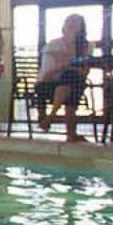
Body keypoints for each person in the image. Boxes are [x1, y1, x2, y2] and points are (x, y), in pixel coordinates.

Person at [36, 13, 91, 142]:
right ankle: (70, 133)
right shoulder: (54, 44)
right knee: (71, 78)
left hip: (71, 82)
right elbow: (60, 67)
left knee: (73, 79)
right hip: (46, 83)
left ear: (81, 27)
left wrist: (72, 65)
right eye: (69, 21)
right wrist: (72, 64)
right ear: (64, 25)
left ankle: (51, 116)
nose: (71, 24)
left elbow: (84, 69)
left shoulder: (86, 45)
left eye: (75, 22)